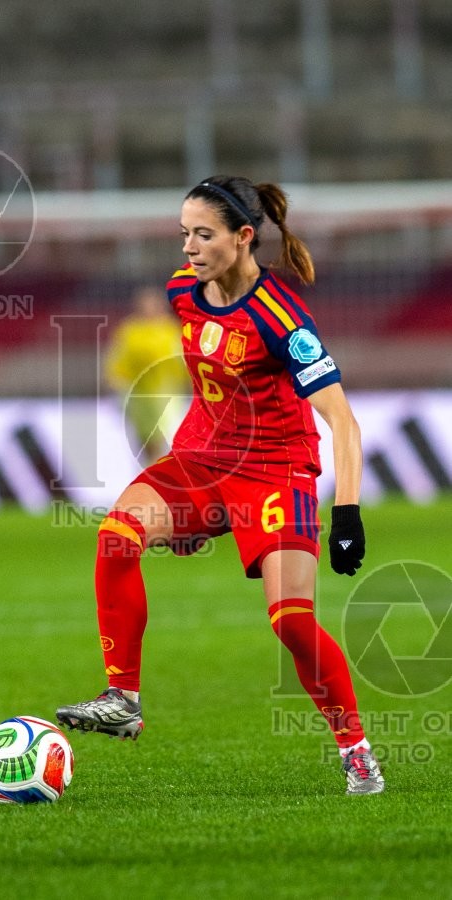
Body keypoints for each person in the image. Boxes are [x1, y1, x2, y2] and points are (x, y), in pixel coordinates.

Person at [57, 175, 385, 795]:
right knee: (116, 538)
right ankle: (122, 698)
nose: (188, 247)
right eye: (184, 233)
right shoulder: (182, 290)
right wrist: (194, 511)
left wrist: (347, 515)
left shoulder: (283, 319)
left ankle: (356, 751)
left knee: (291, 622)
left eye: (203, 235)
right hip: (202, 461)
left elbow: (343, 420)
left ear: (242, 237)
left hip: (276, 470)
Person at [104, 285, 189, 465]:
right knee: (144, 440)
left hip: (166, 394)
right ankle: (151, 469)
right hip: (138, 394)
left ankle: (158, 472)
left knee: (162, 435)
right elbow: (119, 358)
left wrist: (191, 379)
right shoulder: (130, 331)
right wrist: (115, 379)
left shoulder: (171, 330)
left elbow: (183, 359)